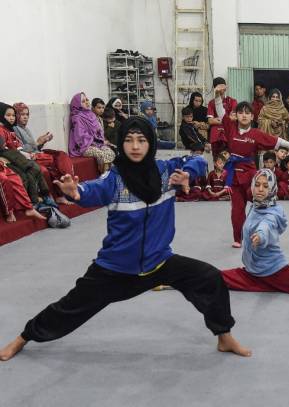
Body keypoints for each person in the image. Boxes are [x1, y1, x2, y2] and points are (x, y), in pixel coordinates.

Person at [0, 116, 251, 362]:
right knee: (69, 308)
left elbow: (197, 160)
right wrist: (77, 192)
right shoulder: (115, 178)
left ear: (150, 143)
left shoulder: (166, 172)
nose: (135, 147)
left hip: (158, 262)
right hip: (115, 268)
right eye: (129, 140)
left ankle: (224, 336)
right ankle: (23, 337)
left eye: (141, 140)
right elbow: (93, 190)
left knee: (209, 278)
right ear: (121, 144)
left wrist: (186, 172)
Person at [225, 102, 289, 247]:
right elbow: (221, 113)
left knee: (261, 205)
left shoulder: (256, 133)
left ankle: (264, 232)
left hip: (251, 177)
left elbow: (275, 140)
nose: (244, 115)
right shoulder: (231, 129)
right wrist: (217, 96)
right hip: (234, 177)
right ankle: (238, 238)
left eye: (247, 113)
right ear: (236, 115)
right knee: (237, 210)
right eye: (240, 112)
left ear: (252, 116)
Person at [12, 102, 75, 205]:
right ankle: (61, 193)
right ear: (17, 115)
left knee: (61, 155)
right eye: (22, 114)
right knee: (54, 163)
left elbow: (34, 147)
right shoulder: (15, 129)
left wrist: (42, 141)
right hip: (28, 157)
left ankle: (68, 182)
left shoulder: (25, 128)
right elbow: (21, 149)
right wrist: (38, 142)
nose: (25, 117)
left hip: (36, 153)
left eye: (27, 114)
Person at [0, 102, 55, 208]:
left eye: (13, 115)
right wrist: (27, 154)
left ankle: (43, 196)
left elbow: (18, 146)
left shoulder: (10, 129)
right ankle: (35, 201)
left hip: (17, 155)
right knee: (31, 170)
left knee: (35, 168)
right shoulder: (2, 130)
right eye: (8, 115)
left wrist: (26, 154)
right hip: (9, 158)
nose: (11, 118)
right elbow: (5, 149)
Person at [68, 93, 115, 173]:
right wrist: (93, 141)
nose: (86, 102)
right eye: (83, 101)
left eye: (87, 100)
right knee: (101, 155)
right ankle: (104, 177)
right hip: (84, 146)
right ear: (77, 104)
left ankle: (109, 176)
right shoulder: (77, 117)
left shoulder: (91, 115)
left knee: (109, 152)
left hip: (96, 143)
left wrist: (100, 140)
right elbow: (80, 136)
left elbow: (99, 132)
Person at [207, 77, 237, 156]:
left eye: (223, 87)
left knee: (228, 156)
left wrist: (219, 120)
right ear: (215, 88)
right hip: (216, 134)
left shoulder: (232, 101)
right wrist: (226, 119)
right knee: (216, 158)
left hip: (228, 132)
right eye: (219, 87)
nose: (221, 89)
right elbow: (210, 121)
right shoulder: (211, 103)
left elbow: (233, 118)